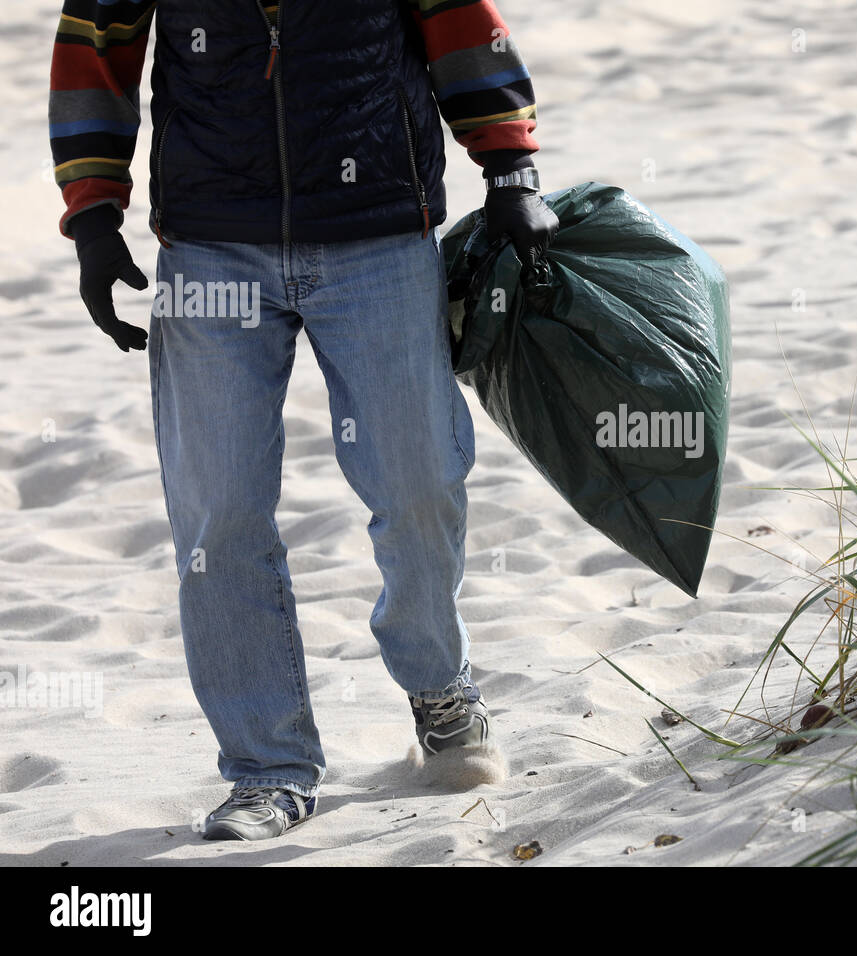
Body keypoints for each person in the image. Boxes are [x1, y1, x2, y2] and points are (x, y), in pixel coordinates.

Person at [49, 0, 558, 841]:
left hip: (381, 234)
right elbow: (95, 50)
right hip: (210, 249)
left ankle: (439, 684)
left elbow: (463, 21)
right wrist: (93, 217)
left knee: (419, 474)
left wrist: (510, 171)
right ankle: (267, 770)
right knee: (218, 512)